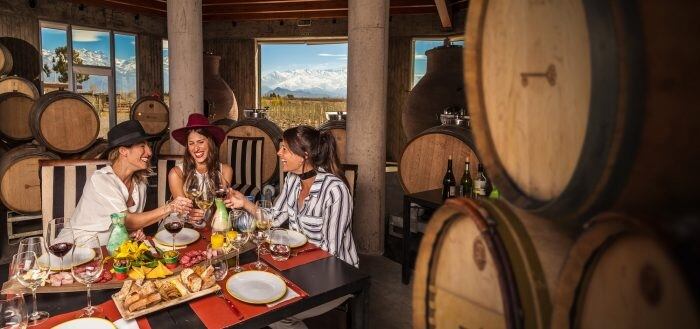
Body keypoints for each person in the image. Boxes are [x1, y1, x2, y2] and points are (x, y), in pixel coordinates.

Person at [225, 125, 357, 329]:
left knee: (276, 313)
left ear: (304, 155)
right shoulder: (292, 180)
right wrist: (244, 203)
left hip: (337, 277)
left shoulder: (335, 190)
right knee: (253, 294)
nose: (279, 153)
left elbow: (332, 254)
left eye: (285, 148)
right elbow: (274, 218)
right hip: (301, 268)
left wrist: (288, 267)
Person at [66, 120, 192, 245]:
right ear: (123, 151)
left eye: (148, 146)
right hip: (77, 247)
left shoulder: (140, 184)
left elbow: (127, 227)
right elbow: (127, 221)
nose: (149, 152)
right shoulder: (101, 180)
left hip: (113, 249)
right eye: (142, 146)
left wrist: (133, 233)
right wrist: (170, 207)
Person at [168, 113, 232, 226]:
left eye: (201, 142)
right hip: (183, 226)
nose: (196, 148)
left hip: (213, 224)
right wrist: (189, 214)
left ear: (210, 143)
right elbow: (182, 210)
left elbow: (220, 209)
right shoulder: (176, 173)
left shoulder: (226, 171)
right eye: (191, 144)